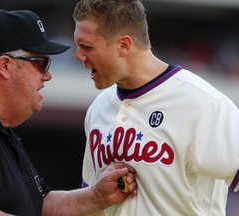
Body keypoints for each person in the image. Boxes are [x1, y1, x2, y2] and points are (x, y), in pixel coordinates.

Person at [0, 9, 138, 216]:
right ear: (5, 66)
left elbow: (39, 204)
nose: (48, 75)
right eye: (41, 63)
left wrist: (97, 197)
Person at [72, 0, 239, 215]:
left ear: (123, 45)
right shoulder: (98, 109)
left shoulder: (203, 102)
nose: (78, 56)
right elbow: (93, 207)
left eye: (87, 47)